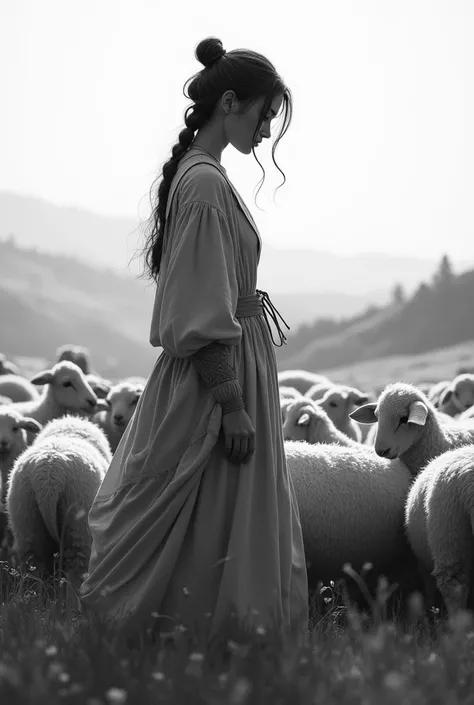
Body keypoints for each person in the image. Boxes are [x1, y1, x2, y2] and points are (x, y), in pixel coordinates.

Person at [80, 36, 308, 646]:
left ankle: (201, 645)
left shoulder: (202, 178)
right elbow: (201, 305)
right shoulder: (204, 185)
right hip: (220, 379)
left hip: (231, 367)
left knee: (210, 511)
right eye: (263, 115)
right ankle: (202, 641)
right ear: (229, 103)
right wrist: (231, 402)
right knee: (211, 511)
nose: (265, 131)